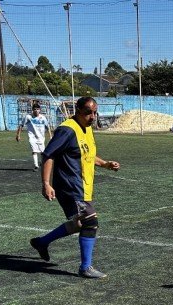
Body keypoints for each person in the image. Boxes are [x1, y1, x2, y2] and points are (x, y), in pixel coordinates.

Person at [29, 97, 120, 278]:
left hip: (81, 185)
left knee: (79, 224)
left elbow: (85, 154)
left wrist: (105, 164)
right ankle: (85, 267)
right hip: (68, 185)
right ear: (77, 111)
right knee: (90, 220)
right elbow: (48, 155)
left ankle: (42, 242)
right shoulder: (67, 130)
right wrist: (46, 183)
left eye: (94, 112)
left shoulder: (86, 128)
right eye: (88, 112)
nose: (92, 117)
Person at [16, 103, 52, 171]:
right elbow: (21, 125)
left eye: (37, 109)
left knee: (42, 152)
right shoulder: (28, 117)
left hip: (41, 137)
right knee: (34, 151)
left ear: (40, 110)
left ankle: (42, 163)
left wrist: (50, 135)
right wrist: (18, 135)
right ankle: (36, 166)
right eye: (34, 109)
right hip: (32, 137)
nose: (36, 110)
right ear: (32, 110)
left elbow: (48, 127)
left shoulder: (43, 118)